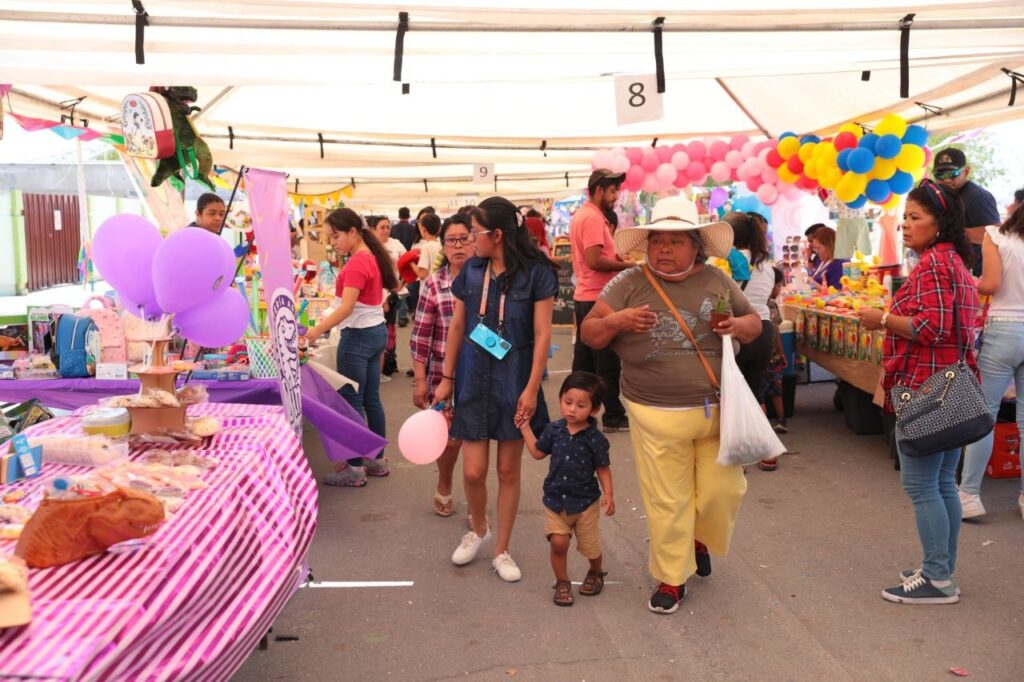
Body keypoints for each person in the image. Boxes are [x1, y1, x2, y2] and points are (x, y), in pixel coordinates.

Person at [580, 195, 761, 615]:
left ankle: (698, 537)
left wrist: (736, 326)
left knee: (724, 490)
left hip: (716, 411)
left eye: (676, 241)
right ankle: (671, 577)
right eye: (658, 240)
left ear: (696, 245)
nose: (664, 249)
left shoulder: (718, 281)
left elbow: (755, 322)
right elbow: (590, 333)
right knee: (667, 500)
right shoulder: (626, 283)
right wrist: (617, 322)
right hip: (654, 411)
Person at [857, 180, 979, 605]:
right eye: (905, 217)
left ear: (939, 222)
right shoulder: (952, 262)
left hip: (929, 385)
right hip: (948, 384)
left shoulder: (932, 265)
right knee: (943, 481)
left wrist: (882, 318)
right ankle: (940, 567)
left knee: (923, 485)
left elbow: (932, 327)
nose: (906, 226)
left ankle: (938, 578)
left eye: (915, 218)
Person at [432, 196, 557, 583]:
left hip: (516, 376)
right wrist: (446, 378)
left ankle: (501, 549)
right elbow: (457, 326)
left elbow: (541, 334)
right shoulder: (471, 271)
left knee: (507, 469)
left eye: (475, 233)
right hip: (473, 374)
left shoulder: (537, 272)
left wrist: (532, 388)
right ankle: (479, 527)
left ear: (497, 235)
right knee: (472, 472)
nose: (470, 240)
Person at [305, 208, 400, 487]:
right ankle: (376, 460)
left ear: (353, 232)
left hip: (357, 337)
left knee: (352, 402)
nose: (332, 243)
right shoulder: (370, 257)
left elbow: (346, 308)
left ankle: (356, 467)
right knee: (371, 399)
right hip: (374, 333)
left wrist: (314, 332)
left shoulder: (358, 262)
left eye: (335, 236)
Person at [520, 371, 615, 607]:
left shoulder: (595, 439)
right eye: (567, 402)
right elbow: (537, 452)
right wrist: (524, 428)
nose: (572, 409)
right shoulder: (554, 430)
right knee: (559, 543)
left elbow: (603, 468)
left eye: (581, 405)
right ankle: (562, 582)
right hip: (555, 500)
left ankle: (596, 571)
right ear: (560, 399)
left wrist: (609, 495)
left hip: (585, 504)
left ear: (594, 410)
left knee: (591, 549)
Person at [959, 200, 1024, 521]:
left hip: (1003, 330)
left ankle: (969, 494)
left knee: (985, 416)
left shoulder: (995, 235)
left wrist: (968, 281)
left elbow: (990, 284)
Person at [410, 214, 471, 517]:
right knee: (448, 438)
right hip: (442, 375)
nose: (458, 245)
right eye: (452, 240)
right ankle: (445, 482)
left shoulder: (489, 280)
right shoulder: (435, 283)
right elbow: (421, 335)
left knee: (475, 438)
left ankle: (477, 498)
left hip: (480, 375)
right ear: (443, 245)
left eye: (464, 238)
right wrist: (420, 380)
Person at [569, 169, 634, 433]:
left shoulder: (584, 215)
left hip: (586, 296)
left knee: (584, 363)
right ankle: (614, 416)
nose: (615, 196)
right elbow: (594, 260)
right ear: (598, 190)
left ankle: (575, 411)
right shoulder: (593, 218)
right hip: (598, 298)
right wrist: (628, 265)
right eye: (612, 190)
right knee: (606, 362)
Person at [932, 147, 1000, 276]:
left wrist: (950, 233)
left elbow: (996, 235)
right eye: (940, 174)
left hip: (977, 275)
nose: (946, 180)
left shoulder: (978, 197)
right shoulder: (945, 195)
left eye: (953, 173)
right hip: (955, 271)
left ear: (966, 171)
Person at [375, 215, 406, 379]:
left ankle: (390, 363)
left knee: (390, 328)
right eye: (382, 227)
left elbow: (408, 263)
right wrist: (382, 298)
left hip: (393, 293)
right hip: (378, 296)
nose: (386, 230)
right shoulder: (371, 247)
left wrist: (402, 283)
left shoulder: (396, 244)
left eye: (388, 227)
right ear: (375, 229)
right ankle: (383, 365)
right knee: (382, 329)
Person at [808, 226, 846, 291]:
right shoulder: (820, 261)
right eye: (815, 248)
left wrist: (813, 283)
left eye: (819, 248)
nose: (816, 252)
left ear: (828, 246)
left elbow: (837, 293)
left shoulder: (840, 264)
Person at [414, 213, 443, 280]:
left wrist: (409, 261)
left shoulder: (426, 247)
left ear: (423, 230)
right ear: (439, 229)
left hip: (427, 287)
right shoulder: (441, 245)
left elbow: (422, 275)